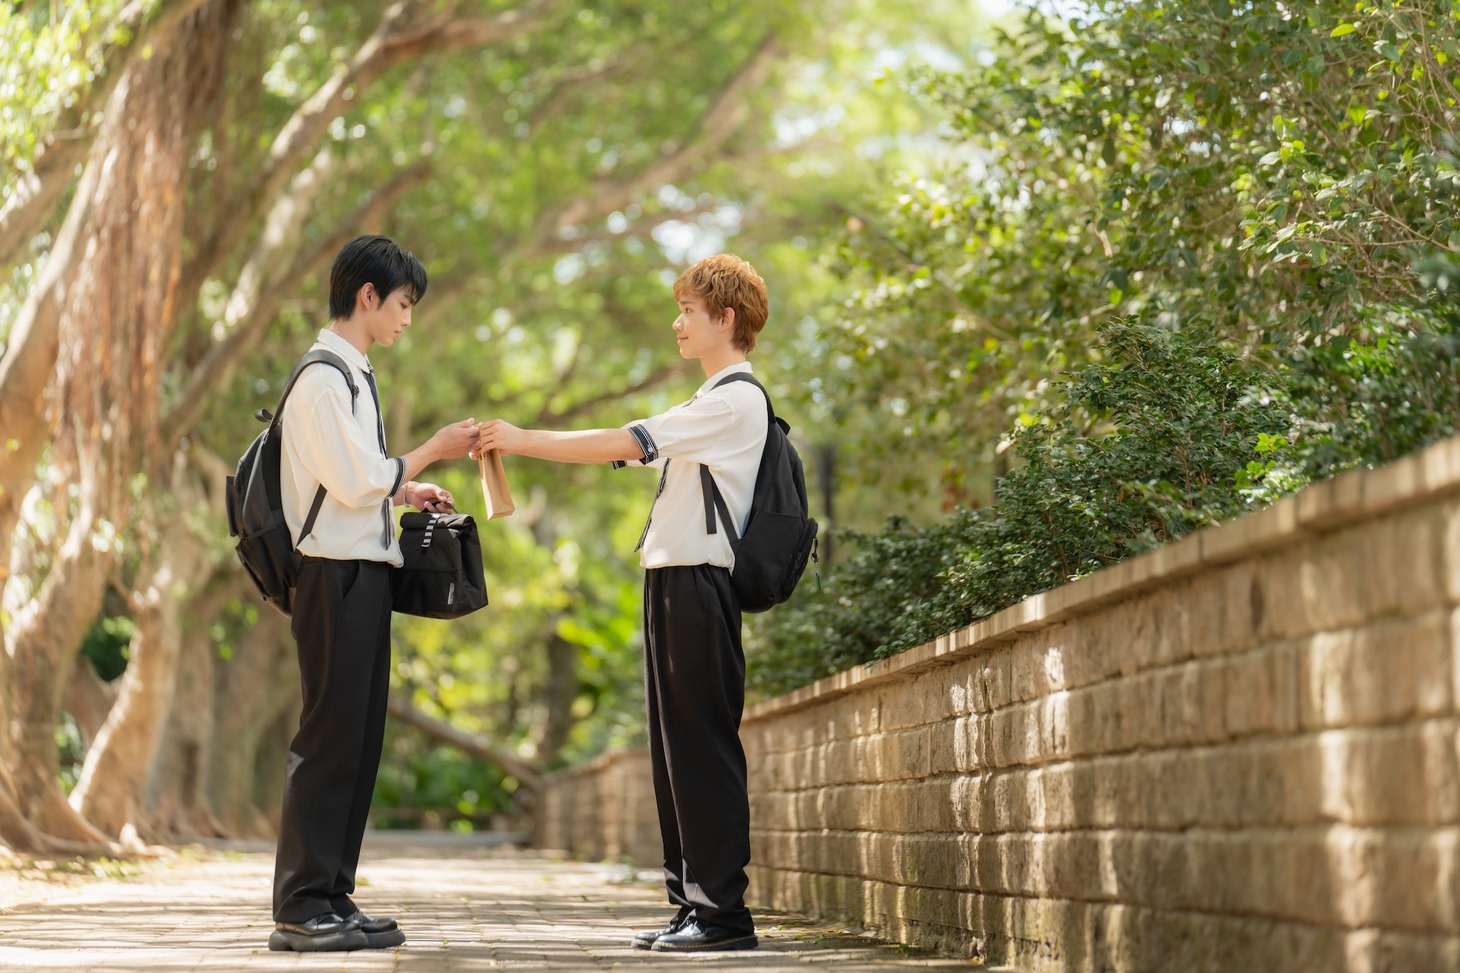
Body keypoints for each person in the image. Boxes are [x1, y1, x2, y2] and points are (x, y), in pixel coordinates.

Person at [474, 253, 770, 953]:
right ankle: (690, 906)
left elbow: (624, 441)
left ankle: (723, 915)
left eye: (689, 311)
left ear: (724, 319)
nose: (677, 321)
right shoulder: (708, 399)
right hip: (671, 583)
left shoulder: (735, 399)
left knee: (701, 750)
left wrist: (521, 439)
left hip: (700, 585)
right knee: (672, 754)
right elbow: (632, 449)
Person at [270, 234, 478, 953]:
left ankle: (332, 894)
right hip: (332, 575)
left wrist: (407, 485)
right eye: (403, 303)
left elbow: (358, 476)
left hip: (361, 572)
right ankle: (300, 903)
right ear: (368, 297)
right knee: (329, 738)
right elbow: (358, 480)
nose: (407, 319)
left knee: (358, 742)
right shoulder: (324, 377)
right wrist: (430, 450)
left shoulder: (353, 374)